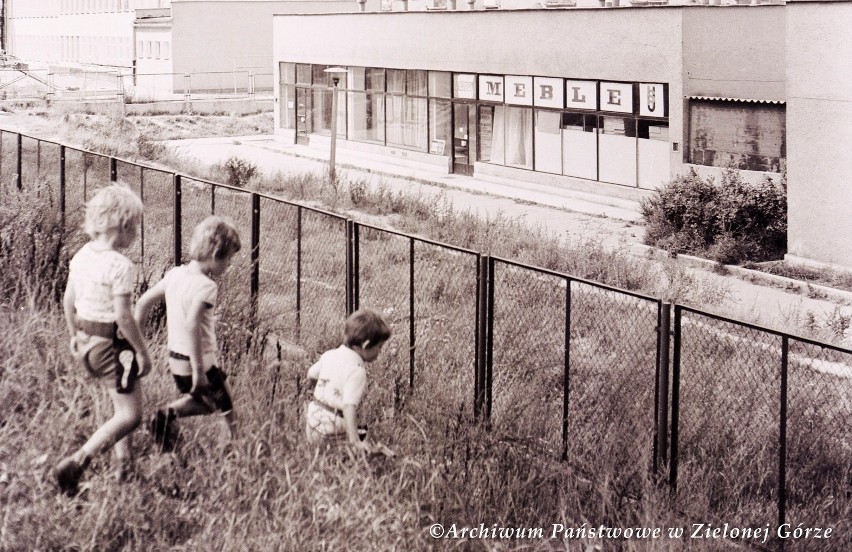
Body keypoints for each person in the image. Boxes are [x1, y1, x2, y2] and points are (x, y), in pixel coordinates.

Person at [56, 184, 152, 495]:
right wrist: (141, 352)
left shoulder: (82, 255)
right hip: (114, 349)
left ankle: (125, 466)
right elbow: (124, 317)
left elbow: (68, 301)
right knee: (131, 414)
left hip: (86, 343)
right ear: (124, 225)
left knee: (120, 404)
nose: (136, 233)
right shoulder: (121, 266)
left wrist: (74, 336)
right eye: (135, 226)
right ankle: (76, 462)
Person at [135, 215, 241, 451]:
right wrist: (198, 371)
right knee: (227, 409)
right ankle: (235, 451)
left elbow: (142, 304)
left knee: (214, 401)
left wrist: (136, 347)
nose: (229, 265)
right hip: (200, 364)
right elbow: (193, 324)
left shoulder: (175, 275)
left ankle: (165, 418)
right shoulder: (207, 286)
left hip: (175, 361)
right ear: (215, 255)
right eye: (229, 259)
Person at [305, 309, 391, 451]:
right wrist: (355, 441)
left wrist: (322, 393)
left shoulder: (329, 355)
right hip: (331, 432)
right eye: (379, 347)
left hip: (312, 424)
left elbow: (311, 375)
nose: (380, 352)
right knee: (361, 451)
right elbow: (349, 406)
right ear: (366, 345)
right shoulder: (357, 370)